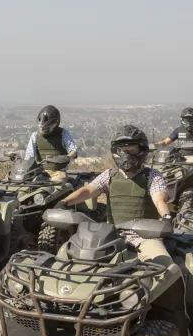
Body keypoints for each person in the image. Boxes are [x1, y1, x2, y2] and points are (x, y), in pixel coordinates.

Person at [59, 126, 174, 265]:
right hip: (111, 236)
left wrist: (166, 216)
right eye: (124, 151)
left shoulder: (153, 176)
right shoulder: (109, 175)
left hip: (146, 237)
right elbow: (88, 190)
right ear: (116, 151)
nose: (127, 155)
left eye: (132, 150)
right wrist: (65, 202)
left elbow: (159, 199)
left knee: (165, 266)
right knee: (65, 257)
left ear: (141, 150)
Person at [23, 105, 78, 181]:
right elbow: (29, 156)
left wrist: (67, 157)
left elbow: (73, 150)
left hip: (59, 172)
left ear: (55, 123)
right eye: (42, 127)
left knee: (56, 187)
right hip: (40, 172)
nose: (43, 129)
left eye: (47, 126)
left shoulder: (63, 133)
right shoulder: (35, 136)